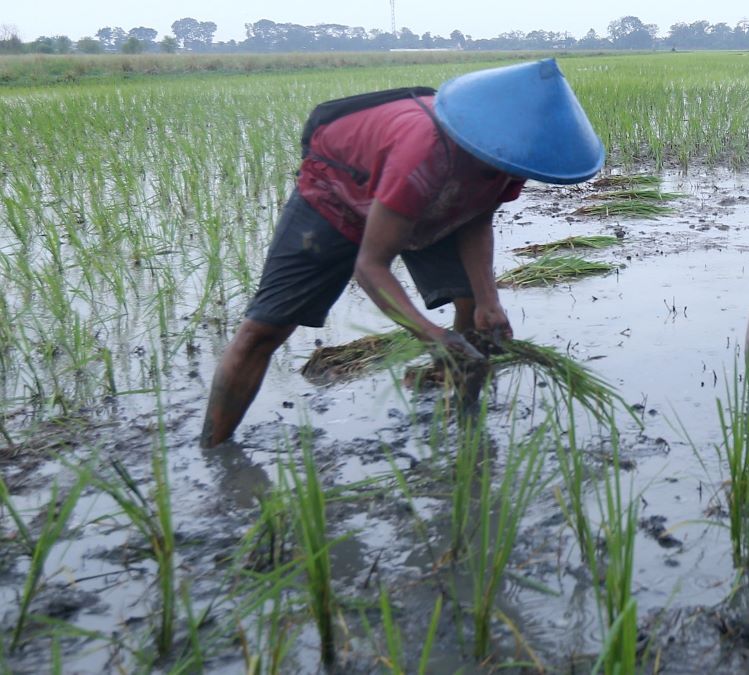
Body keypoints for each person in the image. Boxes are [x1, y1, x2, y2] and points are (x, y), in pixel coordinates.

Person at [200, 58, 605, 448]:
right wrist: (431, 336)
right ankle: (216, 454)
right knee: (263, 331)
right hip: (337, 195)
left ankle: (466, 435)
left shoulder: (510, 158)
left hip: (431, 200)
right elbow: (371, 266)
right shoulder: (424, 152)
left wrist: (488, 300)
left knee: (475, 317)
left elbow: (477, 215)